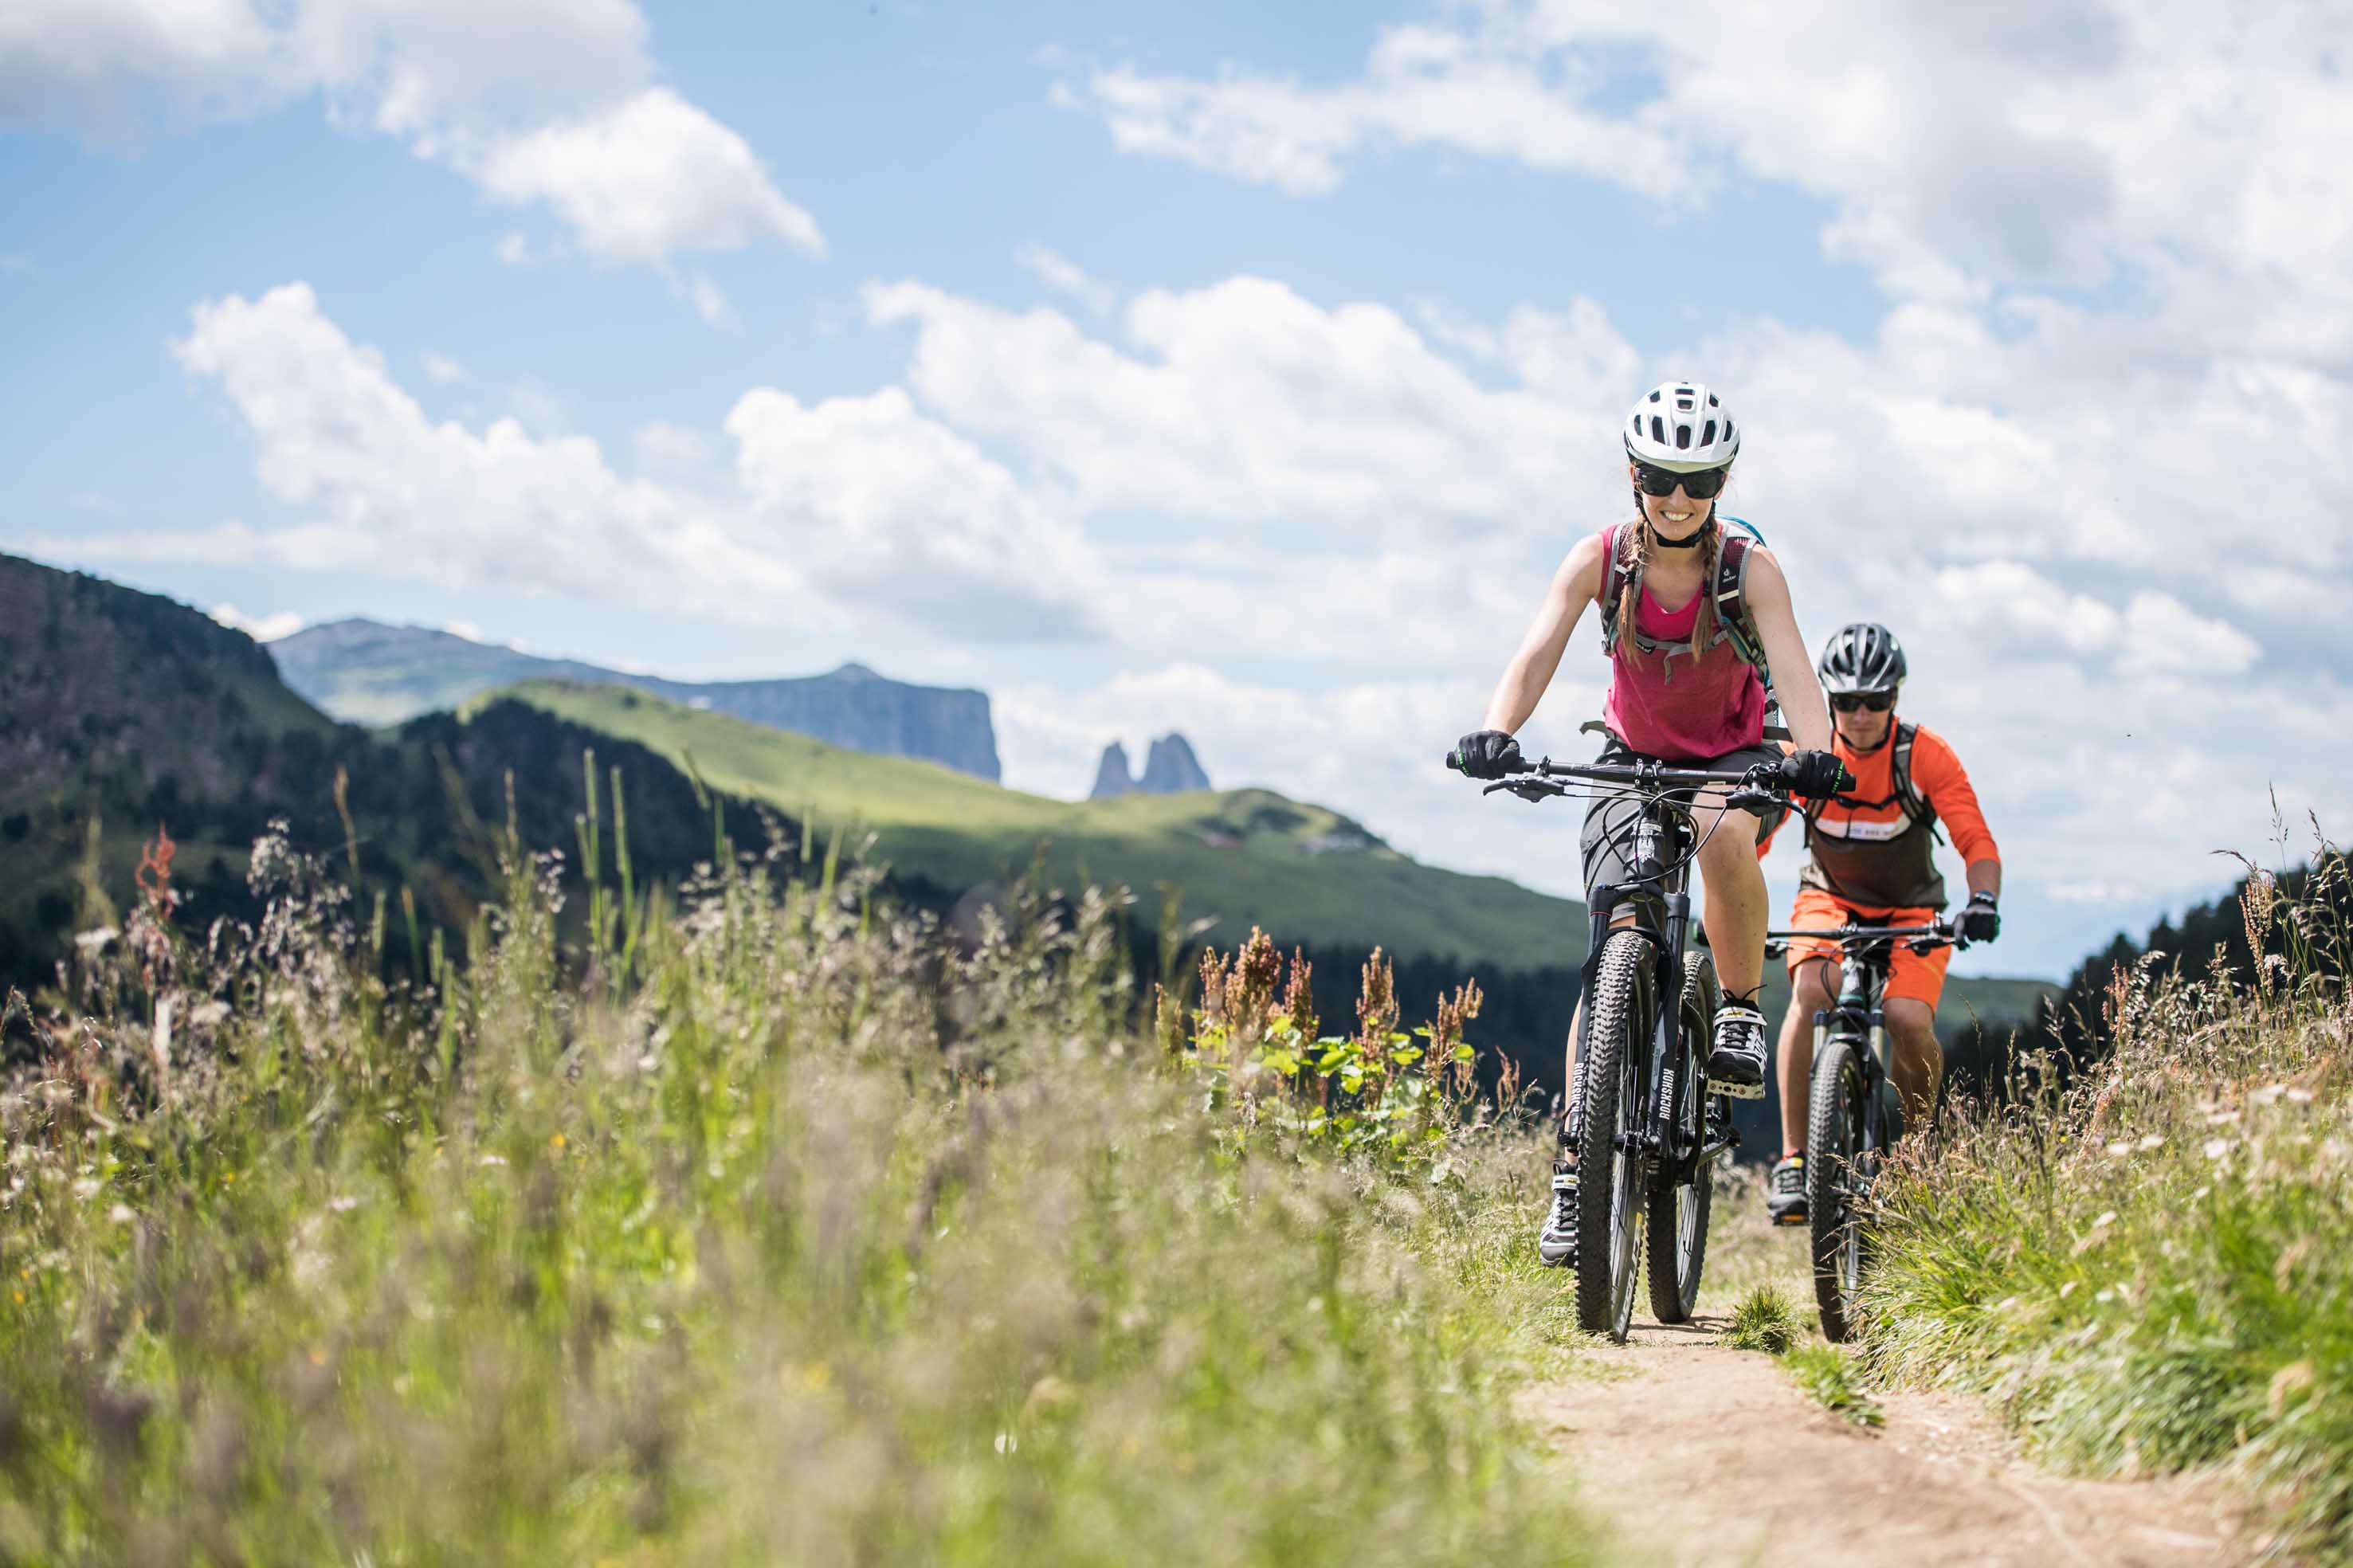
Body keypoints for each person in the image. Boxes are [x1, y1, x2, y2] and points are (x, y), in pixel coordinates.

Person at [1455, 382, 1846, 1265]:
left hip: (1735, 755)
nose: (1678, 497)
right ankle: (1573, 1175)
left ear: (1722, 482)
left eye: (1699, 479)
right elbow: (1539, 647)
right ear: (1633, 475)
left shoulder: (1751, 569)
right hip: (1631, 756)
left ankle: (1740, 1009)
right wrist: (1497, 733)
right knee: (1611, 951)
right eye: (1661, 476)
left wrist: (1815, 752)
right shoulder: (1598, 559)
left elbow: (1794, 672)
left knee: (1719, 826)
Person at [1764, 624, 2002, 1225]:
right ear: (1827, 700)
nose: (1861, 714)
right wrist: (1727, 902)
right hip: (1829, 900)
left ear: (1895, 697)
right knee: (1809, 992)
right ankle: (1794, 1158)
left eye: (1875, 700)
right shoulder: (1806, 754)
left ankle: (1918, 1159)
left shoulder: (1922, 754)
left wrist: (1982, 900)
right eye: (1845, 701)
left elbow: (1975, 839)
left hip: (1910, 913)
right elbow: (1757, 835)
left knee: (1905, 1018)